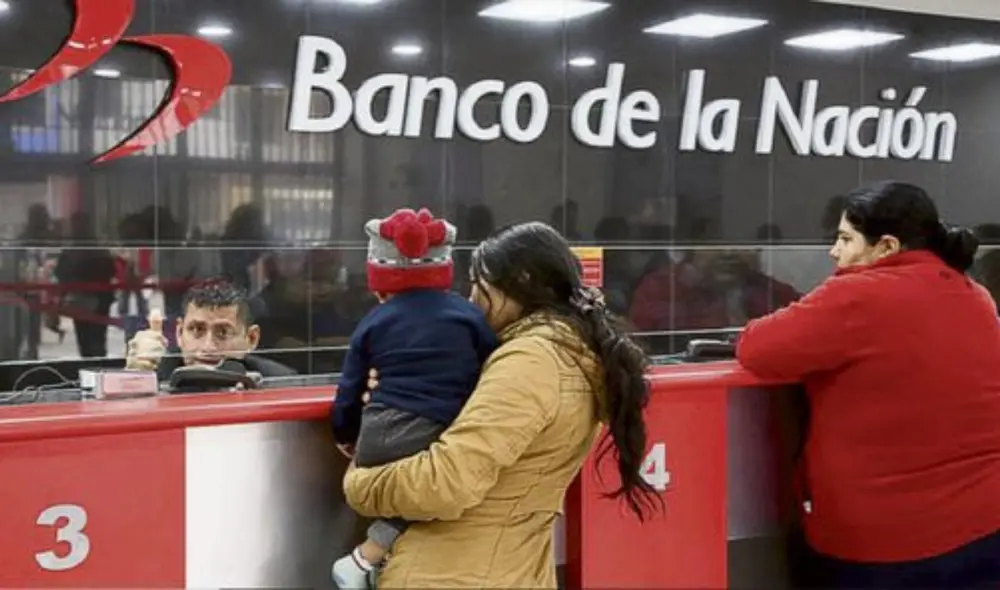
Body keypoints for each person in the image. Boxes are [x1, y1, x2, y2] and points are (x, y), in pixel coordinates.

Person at [341, 221, 660, 588]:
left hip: (452, 574)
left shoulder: (532, 361)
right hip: (504, 572)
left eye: (480, 286)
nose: (472, 300)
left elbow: (445, 483)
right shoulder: (568, 354)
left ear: (521, 281)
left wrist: (360, 482)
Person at [736, 181, 1000, 588]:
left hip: (888, 543)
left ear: (887, 247)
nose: (834, 251)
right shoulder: (975, 295)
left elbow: (757, 348)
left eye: (845, 239)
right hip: (984, 526)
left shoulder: (859, 294)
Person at [329, 208, 498, 589]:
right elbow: (494, 370)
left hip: (376, 434)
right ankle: (365, 557)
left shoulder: (374, 321)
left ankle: (370, 561)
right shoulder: (469, 316)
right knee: (447, 492)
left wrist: (346, 435)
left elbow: (349, 388)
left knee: (422, 498)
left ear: (380, 283)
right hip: (433, 430)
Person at [126, 280, 295, 381]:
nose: (208, 347)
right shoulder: (157, 372)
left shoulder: (279, 381)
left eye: (223, 333)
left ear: (251, 339)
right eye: (197, 330)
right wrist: (135, 378)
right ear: (179, 333)